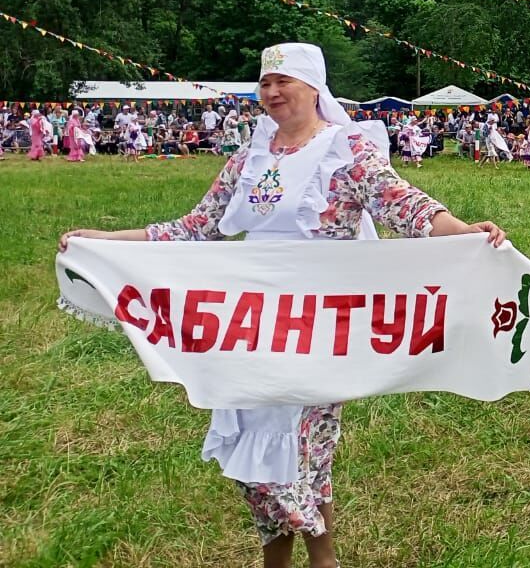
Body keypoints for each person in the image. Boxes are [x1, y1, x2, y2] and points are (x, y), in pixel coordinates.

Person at [58, 43, 506, 568]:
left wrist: (462, 232)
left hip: (320, 326)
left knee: (303, 445)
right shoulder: (249, 157)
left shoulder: (346, 152)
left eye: (283, 83)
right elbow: (194, 228)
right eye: (265, 85)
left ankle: (322, 558)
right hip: (251, 325)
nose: (271, 93)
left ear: (313, 88)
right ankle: (284, 560)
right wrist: (108, 241)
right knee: (254, 444)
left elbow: (403, 205)